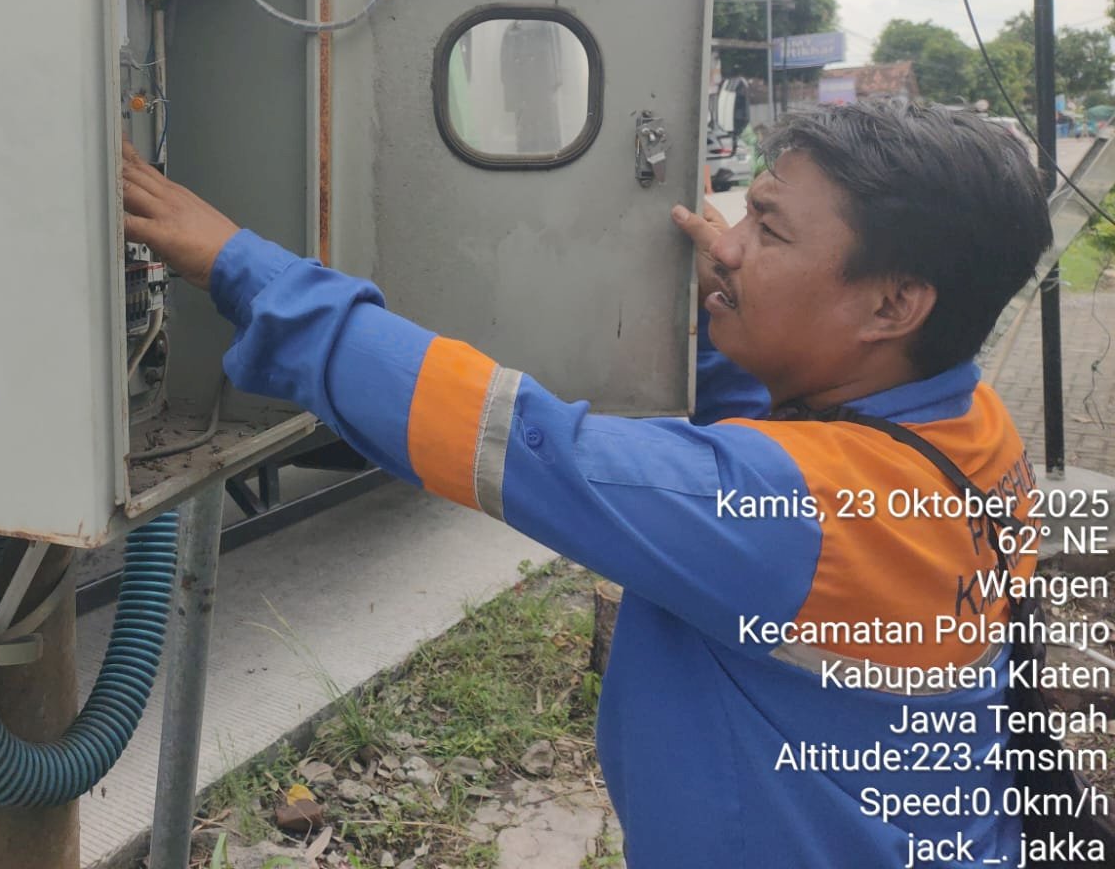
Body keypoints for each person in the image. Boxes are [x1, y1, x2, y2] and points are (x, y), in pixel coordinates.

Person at [121, 98, 1054, 868]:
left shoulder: (793, 516)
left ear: (892, 305)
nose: (726, 244)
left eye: (766, 231)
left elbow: (518, 445)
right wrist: (721, 318)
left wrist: (245, 270)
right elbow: (792, 445)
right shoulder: (970, 429)